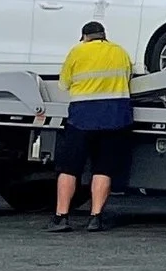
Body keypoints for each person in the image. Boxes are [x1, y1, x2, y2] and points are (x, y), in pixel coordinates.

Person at [53, 18, 135, 231]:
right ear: (104, 36)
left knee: (69, 169)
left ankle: (61, 217)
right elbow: (129, 77)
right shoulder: (120, 52)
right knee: (103, 169)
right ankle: (95, 218)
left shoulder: (77, 52)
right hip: (115, 118)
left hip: (82, 119)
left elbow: (64, 84)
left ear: (84, 37)